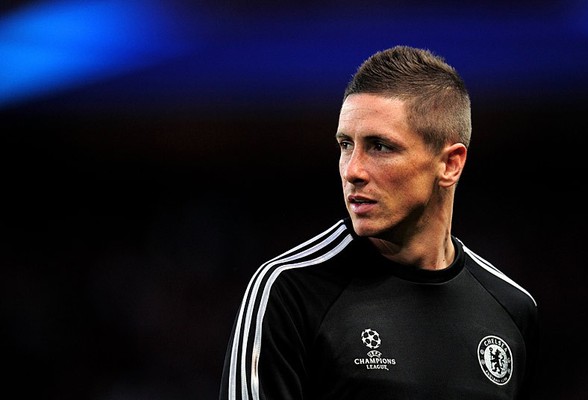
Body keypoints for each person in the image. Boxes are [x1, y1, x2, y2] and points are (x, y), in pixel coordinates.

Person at [219, 45, 538, 399]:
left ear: (450, 164)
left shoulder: (512, 310)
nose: (352, 171)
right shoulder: (290, 291)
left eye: (380, 146)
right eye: (345, 145)